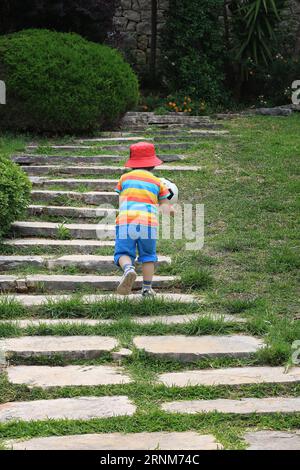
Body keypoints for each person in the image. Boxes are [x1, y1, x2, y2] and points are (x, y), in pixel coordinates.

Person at [114, 142, 175, 297]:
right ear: (153, 164)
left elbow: (121, 202)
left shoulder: (124, 178)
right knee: (148, 256)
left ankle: (128, 268)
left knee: (123, 252)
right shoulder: (158, 182)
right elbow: (166, 208)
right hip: (148, 224)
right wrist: (172, 210)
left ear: (132, 163)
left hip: (126, 221)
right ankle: (147, 289)